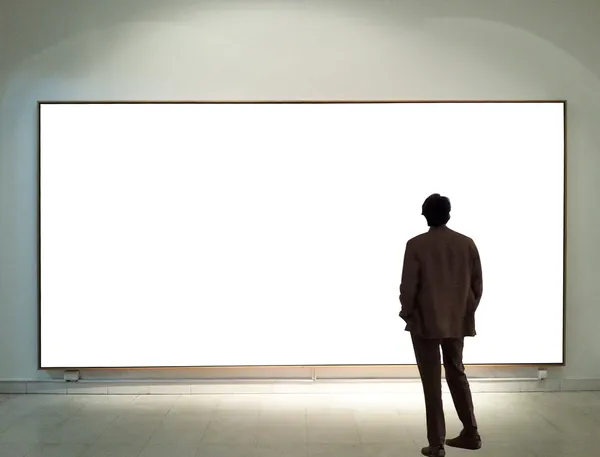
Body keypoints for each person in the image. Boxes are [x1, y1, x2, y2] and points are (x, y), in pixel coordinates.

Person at [399, 194, 483, 457]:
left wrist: (407, 312)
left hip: (425, 321)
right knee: (457, 372)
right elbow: (476, 286)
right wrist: (463, 311)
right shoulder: (466, 244)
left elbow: (409, 286)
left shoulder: (416, 245)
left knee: (432, 381)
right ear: (448, 214)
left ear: (425, 215)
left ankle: (436, 443)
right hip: (456, 320)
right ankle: (471, 431)